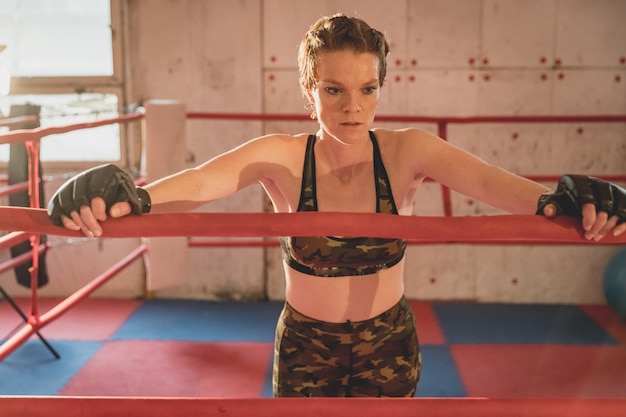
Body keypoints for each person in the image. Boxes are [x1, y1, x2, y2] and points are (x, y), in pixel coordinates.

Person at [47, 14, 626, 397]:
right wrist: (132, 191)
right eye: (334, 90)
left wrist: (565, 198)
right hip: (306, 343)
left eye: (367, 89)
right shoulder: (282, 156)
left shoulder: (406, 151)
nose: (354, 107)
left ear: (381, 87)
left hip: (390, 341)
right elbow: (203, 181)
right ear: (309, 90)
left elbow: (495, 184)